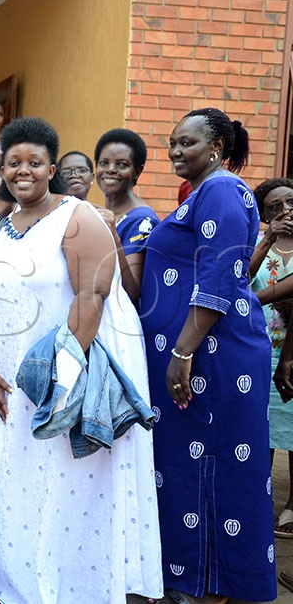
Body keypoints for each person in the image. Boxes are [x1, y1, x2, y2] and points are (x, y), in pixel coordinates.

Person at [0, 117, 162, 602]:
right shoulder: (1, 226)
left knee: (67, 478)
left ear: (51, 167)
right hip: (14, 377)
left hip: (65, 374)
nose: (23, 172)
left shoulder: (77, 216)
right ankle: (20, 573)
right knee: (23, 473)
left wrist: (64, 374)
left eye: (34, 163)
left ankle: (70, 579)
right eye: (14, 163)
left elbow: (92, 297)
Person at [140, 108, 276, 603]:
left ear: (216, 146)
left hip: (211, 357)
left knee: (214, 464)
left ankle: (211, 587)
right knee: (189, 464)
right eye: (172, 143)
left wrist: (182, 350)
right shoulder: (203, 192)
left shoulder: (222, 190)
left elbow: (218, 275)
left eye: (187, 143)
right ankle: (193, 580)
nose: (176, 151)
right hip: (196, 352)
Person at [249, 178, 293, 538]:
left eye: (290, 202)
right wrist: (268, 239)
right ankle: (259, 499)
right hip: (258, 348)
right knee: (261, 425)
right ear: (264, 216)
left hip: (291, 353)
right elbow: (242, 278)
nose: (285, 211)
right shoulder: (256, 244)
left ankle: (292, 504)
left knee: (290, 426)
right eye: (275, 207)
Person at [94, 128, 158, 303]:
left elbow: (131, 290)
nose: (110, 170)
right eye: (104, 163)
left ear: (137, 171)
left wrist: (113, 235)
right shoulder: (100, 213)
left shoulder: (141, 220)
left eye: (122, 164)